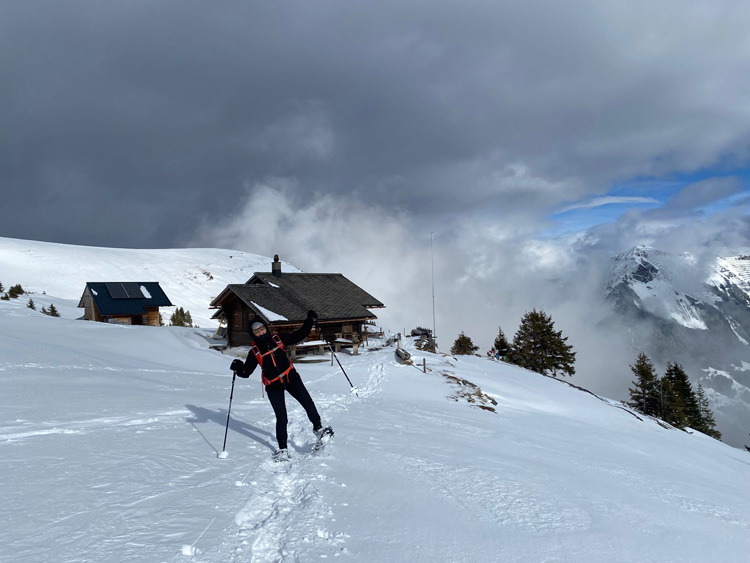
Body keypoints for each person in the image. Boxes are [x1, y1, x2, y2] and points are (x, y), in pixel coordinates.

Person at [230, 309, 332, 461]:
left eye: (262, 328)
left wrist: (309, 320)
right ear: (253, 334)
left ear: (266, 327)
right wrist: (238, 367)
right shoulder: (255, 352)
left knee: (307, 402)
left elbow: (300, 335)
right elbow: (246, 372)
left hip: (291, 378)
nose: (260, 332)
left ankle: (318, 429)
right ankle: (283, 449)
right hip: (273, 386)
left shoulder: (279, 339)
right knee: (281, 417)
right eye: (256, 331)